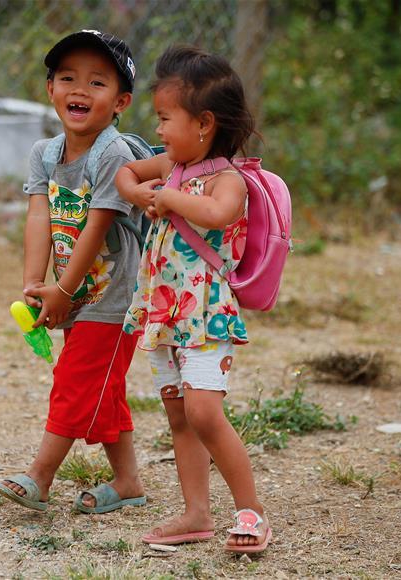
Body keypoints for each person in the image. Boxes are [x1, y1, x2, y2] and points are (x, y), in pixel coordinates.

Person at [116, 45, 271, 553]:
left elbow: (219, 215)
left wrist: (168, 196)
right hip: (164, 309)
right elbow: (126, 175)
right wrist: (140, 193)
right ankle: (196, 513)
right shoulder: (173, 166)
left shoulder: (229, 178)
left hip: (203, 310)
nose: (157, 131)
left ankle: (252, 511)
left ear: (204, 123)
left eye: (165, 119)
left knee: (205, 412)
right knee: (179, 413)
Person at [0, 30, 147, 515]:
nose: (79, 89)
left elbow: (99, 228)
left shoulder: (114, 156)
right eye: (67, 78)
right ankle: (127, 483)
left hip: (113, 299)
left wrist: (62, 289)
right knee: (101, 389)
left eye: (97, 82)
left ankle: (40, 477)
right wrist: (36, 285)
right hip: (73, 294)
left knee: (76, 382)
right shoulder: (44, 153)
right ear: (50, 90)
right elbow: (39, 216)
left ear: (121, 101)